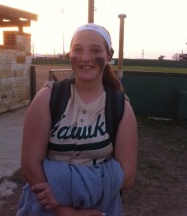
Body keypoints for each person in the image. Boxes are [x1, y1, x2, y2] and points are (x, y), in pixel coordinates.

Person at [16, 23, 138, 216]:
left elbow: (128, 176)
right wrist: (63, 210)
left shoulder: (121, 107)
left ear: (108, 56)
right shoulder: (48, 98)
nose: (85, 58)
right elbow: (30, 165)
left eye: (95, 50)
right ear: (70, 54)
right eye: (78, 50)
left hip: (99, 208)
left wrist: (63, 186)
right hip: (47, 207)